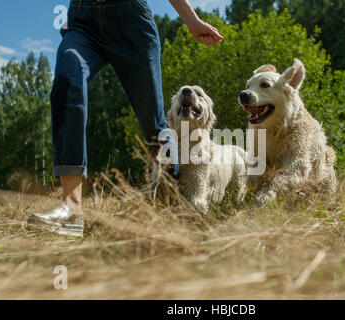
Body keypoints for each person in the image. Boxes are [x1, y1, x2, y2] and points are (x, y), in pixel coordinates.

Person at [26, 0, 223, 237]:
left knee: (155, 125)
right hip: (83, 22)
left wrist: (192, 20)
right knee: (67, 82)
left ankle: (173, 205)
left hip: (132, 21)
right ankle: (71, 208)